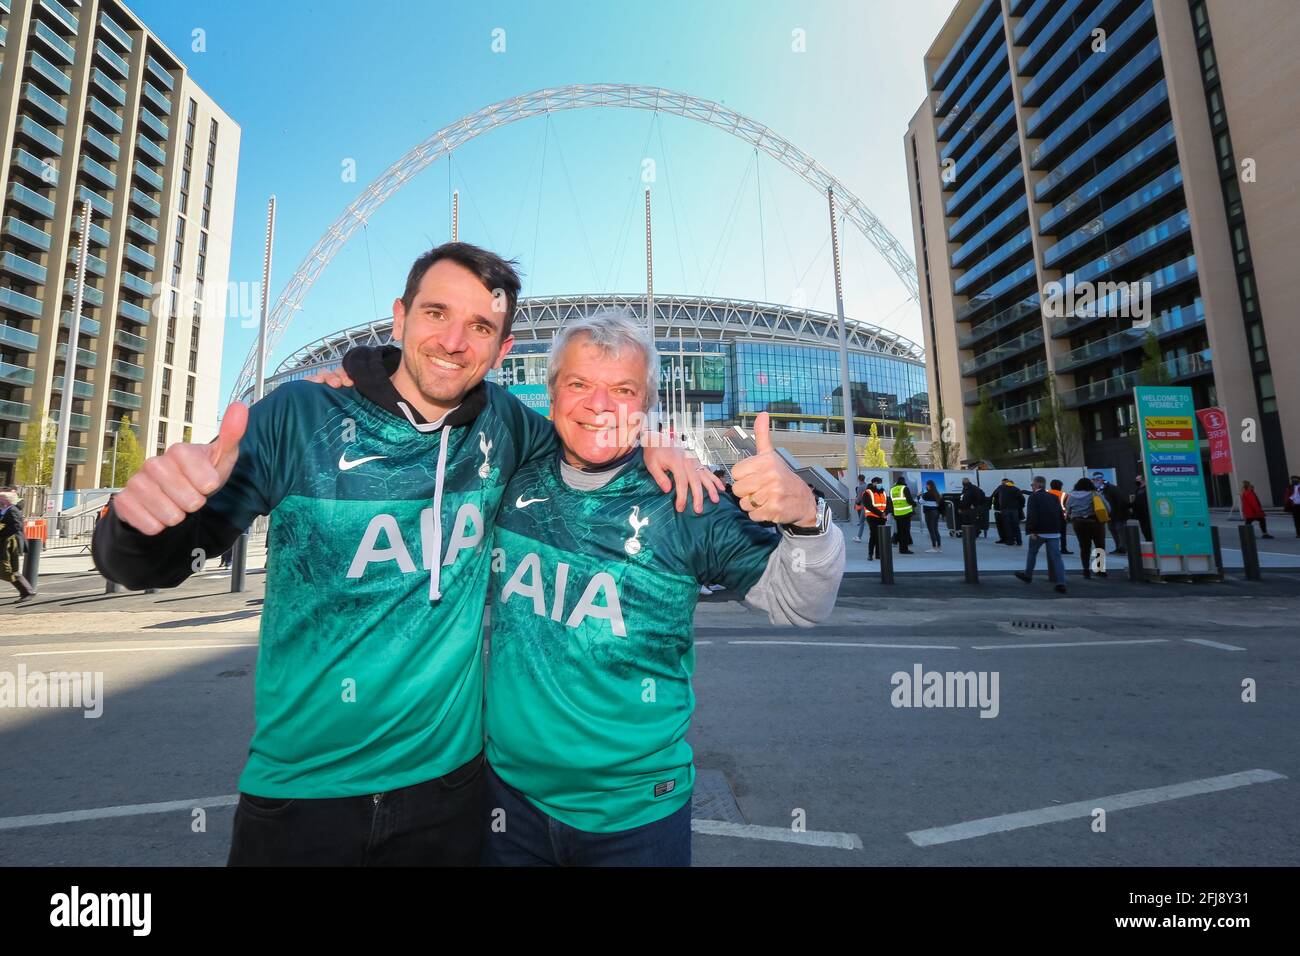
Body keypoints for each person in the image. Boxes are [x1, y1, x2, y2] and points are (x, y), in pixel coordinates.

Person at [91, 242, 714, 867]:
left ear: (502, 351)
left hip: (450, 794)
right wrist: (136, 523)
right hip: (302, 794)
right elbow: (153, 564)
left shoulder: (506, 426)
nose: (452, 341)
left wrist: (655, 445)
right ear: (400, 318)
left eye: (480, 327)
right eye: (436, 313)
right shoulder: (299, 415)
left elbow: (592, 431)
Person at [482, 311, 843, 866]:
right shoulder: (510, 475)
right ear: (550, 396)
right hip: (506, 804)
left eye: (622, 390)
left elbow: (802, 607)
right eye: (579, 384)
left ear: (645, 408)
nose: (599, 405)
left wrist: (806, 518)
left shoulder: (688, 500)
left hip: (637, 820)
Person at [1015, 476, 1067, 594]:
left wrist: (1031, 531)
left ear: (1037, 485)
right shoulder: (1053, 497)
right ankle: (1061, 582)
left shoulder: (1033, 497)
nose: (1031, 487)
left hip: (1039, 531)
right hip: (1054, 532)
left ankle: (1028, 574)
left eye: (1032, 485)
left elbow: (1032, 514)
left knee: (1032, 553)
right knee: (1057, 558)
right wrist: (1059, 530)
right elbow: (1060, 513)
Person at [1066, 476, 1108, 578]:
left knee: (1084, 547)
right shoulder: (1095, 494)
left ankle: (1086, 570)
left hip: (1079, 523)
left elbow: (1068, 509)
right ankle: (1100, 569)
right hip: (1095, 522)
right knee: (1099, 546)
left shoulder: (1071, 496)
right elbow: (1106, 507)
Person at [0, 489, 35, 603]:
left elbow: (15, 526)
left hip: (11, 545)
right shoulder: (4, 510)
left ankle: (27, 591)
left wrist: (1, 531)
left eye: (1, 498)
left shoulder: (13, 510)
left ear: (6, 500)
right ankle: (27, 591)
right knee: (8, 570)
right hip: (5, 544)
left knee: (11, 570)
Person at [1093, 471, 1127, 554]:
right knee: (1113, 530)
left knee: (1120, 531)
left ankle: (1123, 548)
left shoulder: (1111, 488)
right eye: (1094, 479)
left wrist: (1120, 513)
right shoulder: (1098, 489)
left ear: (1102, 479)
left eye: (1098, 479)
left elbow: (1120, 501)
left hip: (1118, 514)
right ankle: (1118, 547)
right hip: (1109, 515)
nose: (1096, 481)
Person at [860, 476, 888, 560]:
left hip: (882, 517)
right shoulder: (867, 492)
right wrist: (880, 513)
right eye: (879, 483)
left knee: (880, 536)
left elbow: (888, 503)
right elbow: (869, 506)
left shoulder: (883, 492)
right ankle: (870, 554)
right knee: (873, 535)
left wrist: (885, 512)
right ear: (874, 483)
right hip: (872, 517)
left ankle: (878, 554)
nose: (880, 485)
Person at [887, 477, 916, 554]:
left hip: (897, 514)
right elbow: (909, 500)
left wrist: (893, 513)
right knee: (906, 532)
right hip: (906, 514)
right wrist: (914, 504)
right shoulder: (904, 488)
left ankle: (901, 548)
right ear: (904, 481)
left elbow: (891, 502)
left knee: (900, 532)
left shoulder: (892, 490)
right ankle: (904, 549)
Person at [992, 478, 1024, 546]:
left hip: (1005, 509)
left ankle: (1010, 541)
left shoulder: (1001, 488)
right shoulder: (1016, 489)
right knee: (1016, 526)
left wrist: (996, 506)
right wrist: (1020, 506)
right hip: (1014, 510)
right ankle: (1019, 541)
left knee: (1007, 526)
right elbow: (1022, 499)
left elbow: (994, 496)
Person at [1048, 479, 1073, 554]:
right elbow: (1068, 506)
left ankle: (1052, 549)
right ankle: (1063, 549)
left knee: (1051, 534)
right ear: (1060, 486)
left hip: (1050, 516)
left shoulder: (1047, 493)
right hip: (1061, 516)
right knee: (1062, 534)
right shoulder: (1065, 495)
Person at [920, 479, 943, 553]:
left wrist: (918, 496)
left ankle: (934, 547)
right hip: (936, 512)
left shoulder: (927, 494)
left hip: (929, 513)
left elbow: (921, 502)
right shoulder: (937, 493)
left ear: (929, 486)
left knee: (931, 530)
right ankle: (939, 546)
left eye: (926, 485)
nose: (926, 486)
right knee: (935, 529)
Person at [1131, 476, 1152, 543]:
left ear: (1143, 480)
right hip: (1141, 514)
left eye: (1138, 480)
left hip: (1147, 513)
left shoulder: (1148, 488)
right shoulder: (1138, 490)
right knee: (1144, 529)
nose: (1136, 481)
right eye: (1136, 480)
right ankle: (1148, 541)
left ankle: (1151, 541)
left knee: (1148, 529)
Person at [852, 473, 867, 543]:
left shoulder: (860, 487)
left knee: (861, 522)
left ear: (859, 479)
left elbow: (859, 498)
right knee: (869, 522)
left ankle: (859, 537)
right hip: (868, 506)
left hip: (863, 506)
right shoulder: (867, 486)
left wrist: (856, 503)